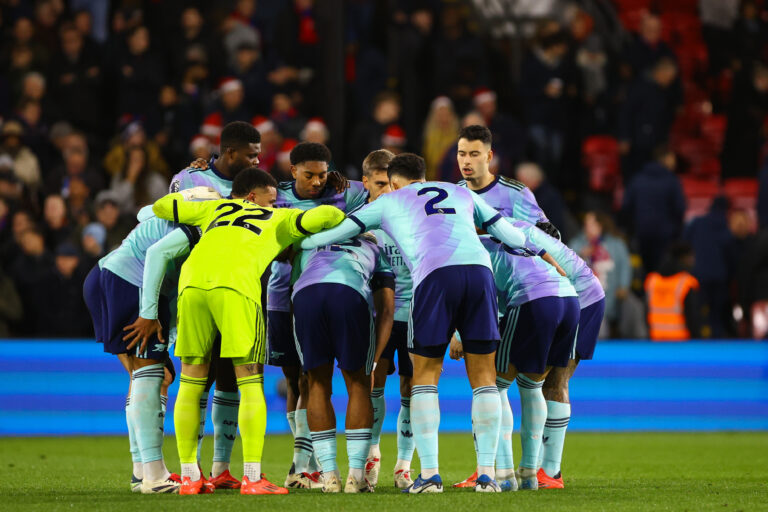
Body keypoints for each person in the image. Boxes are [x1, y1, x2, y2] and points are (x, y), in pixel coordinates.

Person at [299, 153, 565, 494]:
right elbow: (507, 232)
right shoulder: (462, 192)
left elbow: (337, 232)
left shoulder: (390, 200)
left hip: (434, 276)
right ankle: (486, 476)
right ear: (424, 177)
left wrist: (296, 242)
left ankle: (430, 476)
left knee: (424, 376)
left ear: (394, 183)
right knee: (484, 377)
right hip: (479, 273)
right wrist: (541, 252)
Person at [151, 167, 346, 496]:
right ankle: (253, 478)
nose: (274, 205)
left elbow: (161, 206)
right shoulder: (277, 218)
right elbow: (329, 216)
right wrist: (292, 212)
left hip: (192, 286)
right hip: (236, 288)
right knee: (250, 379)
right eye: (271, 200)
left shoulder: (212, 208)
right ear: (254, 197)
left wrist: (201, 195)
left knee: (191, 381)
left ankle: (189, 477)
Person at [82, 187, 220, 494]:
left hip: (107, 274)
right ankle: (155, 477)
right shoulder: (203, 225)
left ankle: (141, 471)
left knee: (152, 376)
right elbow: (158, 255)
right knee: (151, 375)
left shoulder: (170, 213)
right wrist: (148, 313)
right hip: (130, 282)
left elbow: (145, 214)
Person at [453, 220, 605, 491]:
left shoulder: (475, 249)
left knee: (494, 386)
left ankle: (504, 474)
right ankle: (530, 474)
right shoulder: (522, 237)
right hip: (570, 300)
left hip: (534, 300)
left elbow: (481, 301)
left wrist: (460, 337)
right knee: (534, 385)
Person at [267, 142, 368, 490]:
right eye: (308, 175)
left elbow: (383, 185)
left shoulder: (347, 191)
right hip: (282, 294)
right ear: (292, 170)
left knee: (315, 379)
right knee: (297, 381)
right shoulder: (274, 195)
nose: (316, 182)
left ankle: (305, 466)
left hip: (319, 288)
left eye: (322, 175)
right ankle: (301, 463)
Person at [168, 121, 261, 490]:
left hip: (236, 288)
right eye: (251, 154)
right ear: (231, 152)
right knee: (197, 378)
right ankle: (189, 467)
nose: (257, 159)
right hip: (197, 287)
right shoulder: (191, 181)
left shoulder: (253, 184)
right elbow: (169, 227)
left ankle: (220, 468)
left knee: (229, 378)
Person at [292, 231, 395, 493]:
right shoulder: (374, 246)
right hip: (348, 293)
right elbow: (386, 310)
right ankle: (356, 478)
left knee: (316, 384)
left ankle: (329, 477)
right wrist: (374, 359)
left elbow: (294, 285)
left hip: (305, 296)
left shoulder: (311, 244)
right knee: (359, 385)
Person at [358, 149, 415, 489]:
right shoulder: (362, 217)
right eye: (380, 183)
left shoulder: (414, 215)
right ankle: (372, 453)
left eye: (391, 183)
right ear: (367, 183)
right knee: (373, 384)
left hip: (414, 314)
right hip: (376, 315)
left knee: (412, 388)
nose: (387, 190)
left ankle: (404, 466)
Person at [455, 125, 560, 238]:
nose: (466, 161)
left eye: (474, 155)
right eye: (462, 154)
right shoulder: (453, 192)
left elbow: (552, 237)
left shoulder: (515, 192)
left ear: (489, 157)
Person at [621, 145, 685, 273]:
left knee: (647, 271)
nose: (675, 162)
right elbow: (680, 208)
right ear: (664, 159)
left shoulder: (637, 179)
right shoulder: (672, 180)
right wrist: (675, 230)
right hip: (665, 235)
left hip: (642, 233)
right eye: (672, 158)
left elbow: (626, 206)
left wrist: (633, 229)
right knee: (663, 271)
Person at [645, 243, 702, 341]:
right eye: (691, 256)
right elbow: (692, 316)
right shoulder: (686, 283)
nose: (693, 260)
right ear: (683, 258)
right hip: (681, 342)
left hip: (656, 340)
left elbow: (645, 311)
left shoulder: (652, 281)